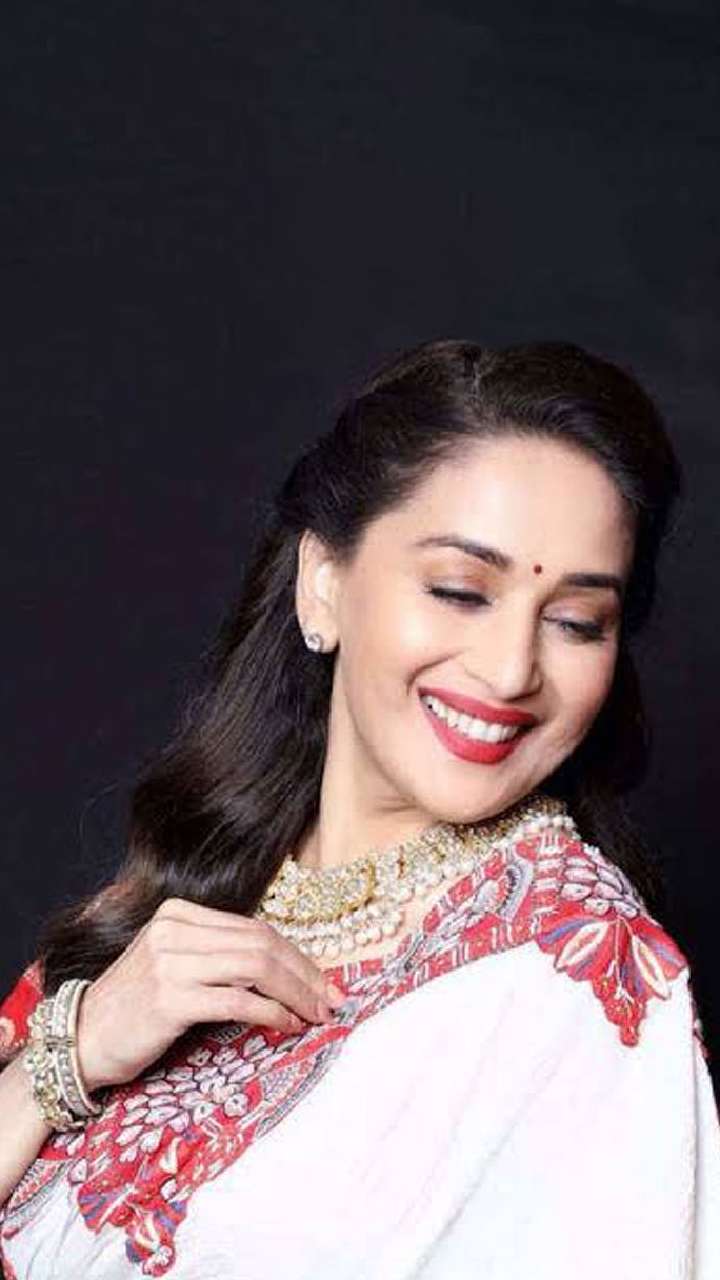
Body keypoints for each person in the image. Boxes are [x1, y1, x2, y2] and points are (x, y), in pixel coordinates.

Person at [0, 338, 718, 1279]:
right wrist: (68, 1058)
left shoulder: (578, 981)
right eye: (460, 591)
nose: (511, 670)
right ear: (323, 583)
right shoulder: (174, 899)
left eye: (577, 622)